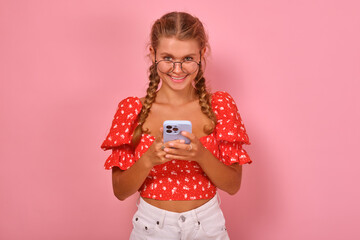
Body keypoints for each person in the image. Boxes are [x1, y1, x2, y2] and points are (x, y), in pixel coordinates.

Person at [100, 11, 252, 240]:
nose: (178, 69)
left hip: (207, 226)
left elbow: (232, 185)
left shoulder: (220, 106)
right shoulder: (132, 111)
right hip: (152, 227)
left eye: (188, 58)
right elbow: (120, 191)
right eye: (168, 58)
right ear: (153, 54)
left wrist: (200, 154)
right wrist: (149, 159)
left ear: (202, 55)